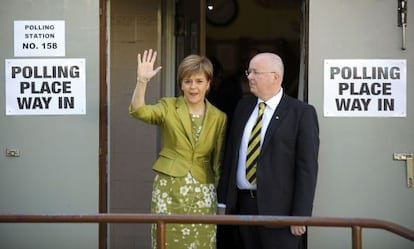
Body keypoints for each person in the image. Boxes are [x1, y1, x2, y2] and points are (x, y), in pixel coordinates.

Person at [217, 52, 319, 249]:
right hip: (242, 207)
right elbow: (231, 157)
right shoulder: (243, 106)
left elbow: (307, 169)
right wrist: (223, 202)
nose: (249, 77)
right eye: (249, 71)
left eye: (255, 72)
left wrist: (300, 215)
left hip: (280, 211)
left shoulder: (301, 113)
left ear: (275, 77)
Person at [129, 49, 227, 249]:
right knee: (168, 242)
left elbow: (218, 162)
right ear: (181, 84)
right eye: (188, 81)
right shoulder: (168, 106)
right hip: (169, 191)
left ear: (208, 84)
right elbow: (138, 111)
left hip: (204, 193)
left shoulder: (219, 117)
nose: (193, 87)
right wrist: (142, 81)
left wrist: (220, 201)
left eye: (199, 81)